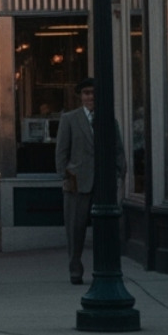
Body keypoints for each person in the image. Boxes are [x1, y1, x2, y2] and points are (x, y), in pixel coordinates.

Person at [54, 78, 98, 285]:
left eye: (93, 93)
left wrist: (120, 171)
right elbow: (61, 151)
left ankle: (102, 268)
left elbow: (116, 148)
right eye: (87, 93)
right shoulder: (70, 119)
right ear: (81, 96)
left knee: (104, 229)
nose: (90, 97)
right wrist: (66, 175)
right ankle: (75, 269)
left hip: (101, 183)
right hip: (77, 183)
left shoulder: (107, 118)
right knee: (75, 229)